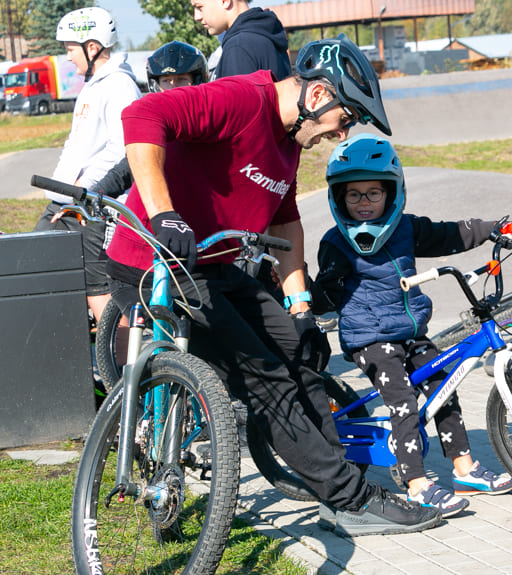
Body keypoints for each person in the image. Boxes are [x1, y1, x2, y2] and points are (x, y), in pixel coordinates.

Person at [105, 34, 441, 537]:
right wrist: (164, 214)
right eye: (344, 119)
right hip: (155, 261)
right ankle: (349, 500)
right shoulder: (242, 99)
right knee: (268, 378)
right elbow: (143, 115)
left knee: (301, 355)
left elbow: (285, 221)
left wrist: (301, 306)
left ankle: (338, 485)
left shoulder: (288, 142)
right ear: (319, 96)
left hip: (212, 265)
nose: (340, 133)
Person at [310, 134, 512, 517]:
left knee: (445, 385)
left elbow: (451, 233)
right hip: (370, 339)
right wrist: (314, 305)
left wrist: (495, 229)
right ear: (339, 198)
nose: (363, 203)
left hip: (409, 333)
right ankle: (418, 485)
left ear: (391, 194)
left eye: (373, 194)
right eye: (353, 195)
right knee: (403, 401)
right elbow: (325, 289)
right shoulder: (335, 242)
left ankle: (465, 469)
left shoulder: (406, 228)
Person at [33, 7, 141, 323]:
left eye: (70, 49)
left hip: (94, 207)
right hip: (68, 202)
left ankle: (120, 370)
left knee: (99, 291)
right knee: (34, 269)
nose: (67, 57)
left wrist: (87, 193)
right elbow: (79, 145)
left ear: (91, 48)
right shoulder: (94, 84)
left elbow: (124, 153)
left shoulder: (119, 86)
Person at [93, 41, 209, 199]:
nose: (173, 88)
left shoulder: (209, 123)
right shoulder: (155, 127)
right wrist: (93, 195)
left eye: (182, 79)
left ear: (196, 81)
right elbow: (127, 169)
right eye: (166, 81)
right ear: (156, 85)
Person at [191, 0, 291, 81]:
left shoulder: (238, 47)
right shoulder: (267, 34)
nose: (196, 17)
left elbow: (237, 105)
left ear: (224, 1)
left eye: (199, 7)